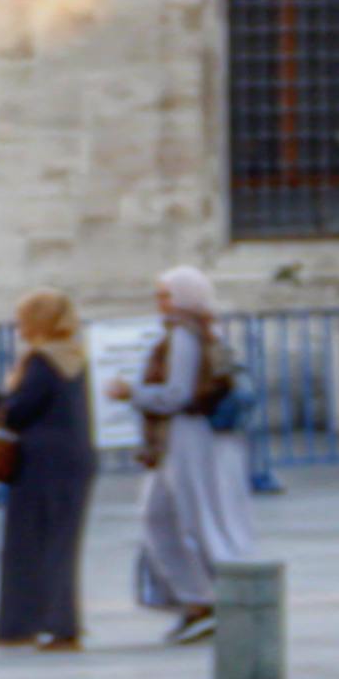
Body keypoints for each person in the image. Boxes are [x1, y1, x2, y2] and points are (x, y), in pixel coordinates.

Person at [108, 264, 258, 645]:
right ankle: (196, 600)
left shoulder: (184, 336)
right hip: (186, 439)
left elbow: (178, 395)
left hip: (188, 438)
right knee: (160, 516)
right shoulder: (204, 330)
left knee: (196, 518)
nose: (160, 303)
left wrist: (132, 393)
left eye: (165, 295)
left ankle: (222, 600)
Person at [0, 290, 95, 650]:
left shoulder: (43, 360)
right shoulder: (73, 355)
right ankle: (55, 623)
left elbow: (20, 410)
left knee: (29, 545)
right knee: (59, 543)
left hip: (42, 463)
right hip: (72, 460)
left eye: (24, 318)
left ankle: (37, 626)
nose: (19, 326)